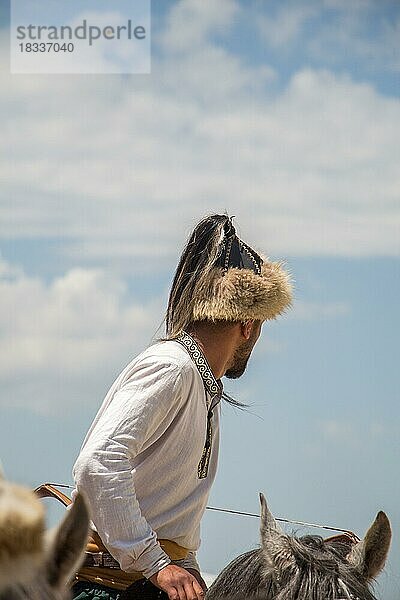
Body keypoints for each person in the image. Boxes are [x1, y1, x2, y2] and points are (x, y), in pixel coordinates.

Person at [72, 214, 292, 600]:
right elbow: (98, 463)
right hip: (110, 587)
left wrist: (185, 567)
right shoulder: (173, 368)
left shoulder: (204, 384)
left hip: (142, 581)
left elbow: (171, 521)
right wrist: (157, 563)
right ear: (247, 324)